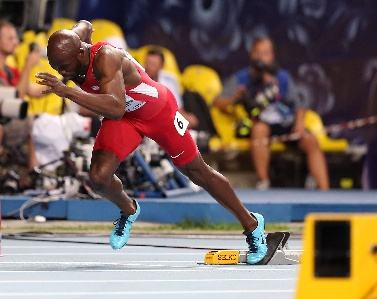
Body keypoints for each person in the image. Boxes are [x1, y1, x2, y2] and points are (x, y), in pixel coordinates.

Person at [36, 20, 268, 264]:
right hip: (126, 119)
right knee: (98, 178)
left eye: (64, 66)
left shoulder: (106, 58)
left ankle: (252, 225)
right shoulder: (74, 43)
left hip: (157, 112)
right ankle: (128, 209)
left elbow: (114, 107)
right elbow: (85, 24)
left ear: (81, 52)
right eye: (56, 67)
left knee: (198, 172)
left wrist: (68, 91)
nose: (62, 73)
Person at [214, 37, 330, 190]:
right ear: (252, 55)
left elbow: (300, 104)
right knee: (259, 130)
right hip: (260, 123)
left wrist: (299, 123)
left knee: (310, 140)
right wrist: (234, 97)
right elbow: (217, 103)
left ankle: (325, 190)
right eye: (259, 53)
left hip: (285, 123)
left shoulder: (282, 77)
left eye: (266, 53)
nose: (262, 57)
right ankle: (264, 182)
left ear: (272, 56)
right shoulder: (241, 78)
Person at [0, 19, 44, 186]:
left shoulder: (10, 72)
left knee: (33, 120)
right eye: (10, 38)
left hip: (11, 125)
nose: (16, 42)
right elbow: (16, 98)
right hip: (3, 126)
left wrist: (60, 82)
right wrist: (28, 65)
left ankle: (33, 175)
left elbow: (32, 91)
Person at [143, 48, 198, 128]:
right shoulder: (137, 79)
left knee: (192, 120)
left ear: (161, 66)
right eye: (148, 63)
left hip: (170, 115)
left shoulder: (170, 80)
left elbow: (178, 107)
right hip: (148, 117)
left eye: (153, 64)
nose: (149, 67)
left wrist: (184, 117)